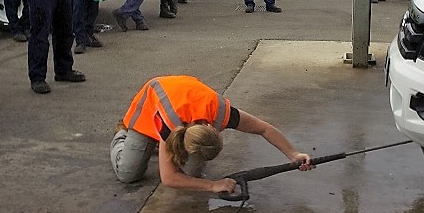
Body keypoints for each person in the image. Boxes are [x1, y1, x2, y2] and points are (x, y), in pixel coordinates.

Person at [110, 75, 313, 192]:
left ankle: (159, 149)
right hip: (151, 102)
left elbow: (264, 128)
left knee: (191, 174)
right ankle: (122, 135)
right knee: (128, 174)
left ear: (213, 127)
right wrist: (212, 185)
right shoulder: (169, 124)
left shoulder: (221, 112)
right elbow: (169, 179)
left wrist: (293, 154)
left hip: (184, 100)